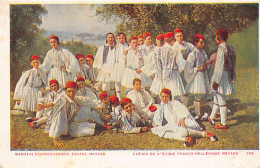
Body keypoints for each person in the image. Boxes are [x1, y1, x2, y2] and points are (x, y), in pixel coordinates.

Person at [43, 81, 112, 148]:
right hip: (63, 125)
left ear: (76, 91)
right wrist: (55, 139)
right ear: (65, 91)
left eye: (74, 91)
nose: (71, 94)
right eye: (69, 91)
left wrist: (102, 116)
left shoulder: (76, 99)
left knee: (87, 106)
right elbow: (57, 120)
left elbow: (93, 104)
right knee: (82, 129)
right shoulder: (63, 102)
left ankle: (100, 124)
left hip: (71, 121)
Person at [151, 88, 218, 147]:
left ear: (170, 97)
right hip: (171, 124)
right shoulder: (161, 106)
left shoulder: (175, 103)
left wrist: (182, 117)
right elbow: (158, 117)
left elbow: (184, 111)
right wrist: (157, 123)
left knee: (182, 132)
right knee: (161, 132)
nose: (164, 99)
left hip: (180, 121)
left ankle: (204, 134)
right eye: (162, 96)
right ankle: (185, 139)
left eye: (166, 96)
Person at [209, 29, 236, 129]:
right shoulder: (228, 47)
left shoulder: (221, 48)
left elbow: (219, 67)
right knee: (217, 97)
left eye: (216, 36)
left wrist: (216, 81)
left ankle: (223, 124)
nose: (215, 38)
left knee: (221, 99)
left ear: (219, 37)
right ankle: (211, 117)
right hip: (226, 74)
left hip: (221, 76)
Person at [150, 32, 186, 100]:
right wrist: (179, 70)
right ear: (172, 41)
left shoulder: (157, 50)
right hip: (173, 74)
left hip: (161, 74)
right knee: (173, 94)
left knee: (163, 94)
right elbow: (181, 64)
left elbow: (153, 63)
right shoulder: (175, 50)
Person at [184, 34, 210, 119]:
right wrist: (198, 68)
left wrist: (206, 65)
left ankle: (198, 113)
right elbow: (188, 69)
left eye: (203, 43)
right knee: (193, 95)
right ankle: (196, 113)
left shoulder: (203, 52)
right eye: (201, 43)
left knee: (198, 96)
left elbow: (206, 62)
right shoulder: (192, 54)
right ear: (196, 43)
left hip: (202, 76)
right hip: (195, 77)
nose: (203, 44)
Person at [174, 29, 195, 106]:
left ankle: (185, 107)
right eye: (178, 36)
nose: (179, 38)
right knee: (179, 88)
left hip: (187, 68)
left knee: (186, 88)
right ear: (175, 37)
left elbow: (195, 51)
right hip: (178, 70)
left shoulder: (187, 45)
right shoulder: (173, 46)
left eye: (181, 36)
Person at [110, 32, 129, 100]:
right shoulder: (116, 47)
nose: (121, 40)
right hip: (118, 66)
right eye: (119, 38)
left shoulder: (128, 47)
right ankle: (119, 99)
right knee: (117, 83)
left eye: (123, 38)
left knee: (127, 83)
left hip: (125, 66)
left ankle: (128, 98)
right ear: (117, 39)